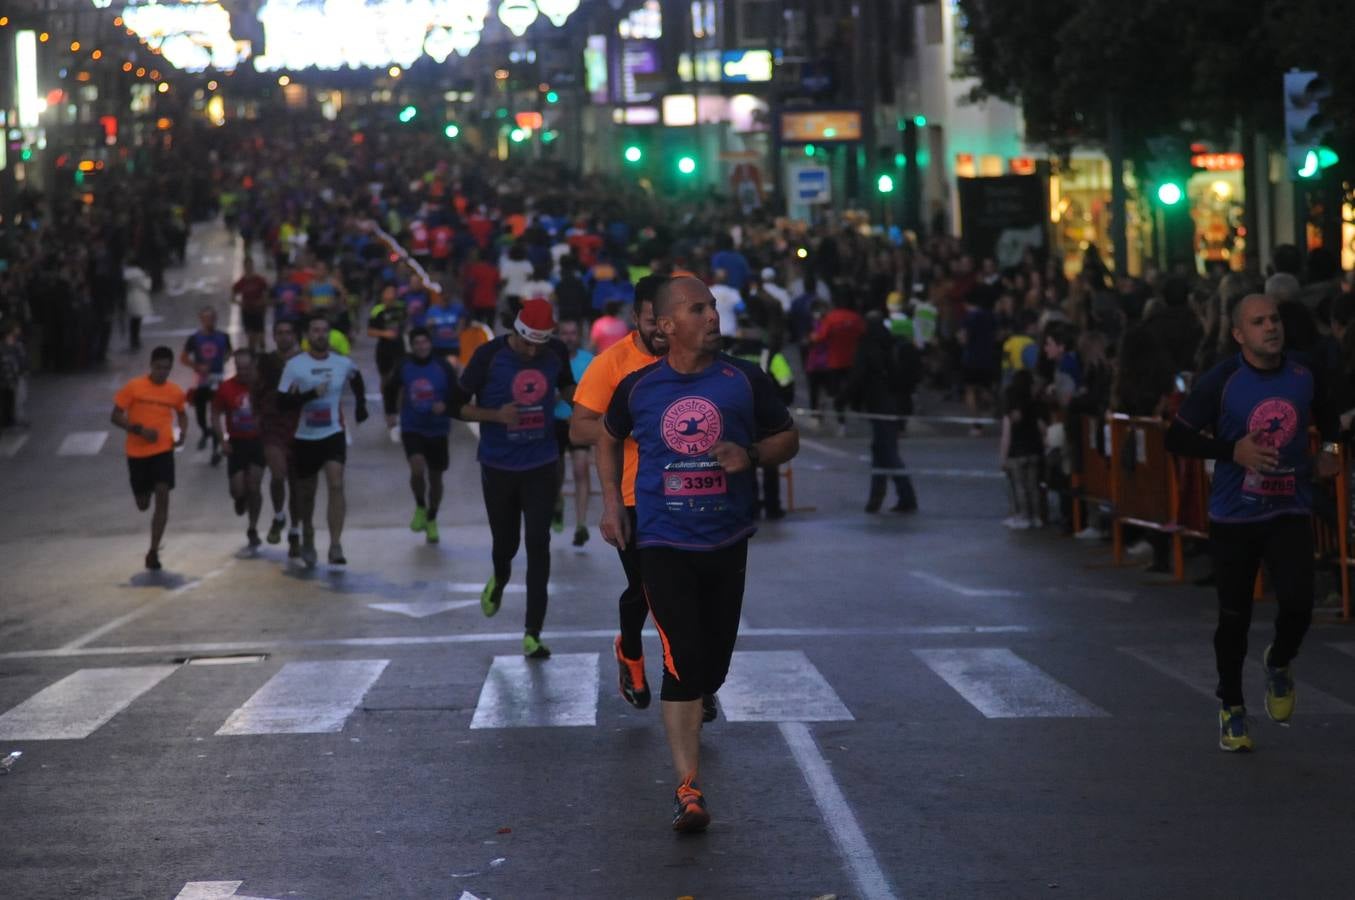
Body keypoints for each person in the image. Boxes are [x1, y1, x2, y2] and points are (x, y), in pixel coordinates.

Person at [598, 277, 800, 833]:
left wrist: (752, 453)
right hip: (662, 541)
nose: (712, 315)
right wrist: (614, 505)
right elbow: (606, 436)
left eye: (712, 305)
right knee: (682, 659)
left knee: (713, 665)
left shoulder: (743, 379)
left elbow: (788, 436)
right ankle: (688, 789)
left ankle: (700, 696)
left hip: (727, 540)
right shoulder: (639, 388)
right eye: (698, 308)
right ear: (665, 326)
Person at [1165, 293, 1340, 752]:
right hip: (1235, 516)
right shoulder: (1222, 381)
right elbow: (1176, 437)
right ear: (1239, 334)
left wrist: (1330, 453)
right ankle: (1233, 707)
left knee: (1300, 604)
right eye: (1259, 322)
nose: (1271, 328)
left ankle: (1279, 663)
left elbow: (1332, 419)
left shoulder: (1303, 372)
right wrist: (1232, 451)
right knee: (1234, 617)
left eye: (1275, 319)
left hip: (1289, 509)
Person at [570, 275, 670, 711]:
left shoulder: (690, 357)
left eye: (668, 321)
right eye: (652, 321)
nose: (661, 331)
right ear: (635, 318)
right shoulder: (612, 364)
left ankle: (690, 676)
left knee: (682, 591)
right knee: (650, 590)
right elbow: (579, 427)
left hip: (688, 490)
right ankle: (632, 651)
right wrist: (630, 426)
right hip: (632, 494)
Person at [460, 298, 576, 659]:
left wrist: (591, 411)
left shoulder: (555, 352)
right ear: (516, 332)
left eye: (538, 345)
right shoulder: (488, 356)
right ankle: (500, 577)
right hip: (498, 465)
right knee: (506, 544)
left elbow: (570, 390)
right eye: (527, 343)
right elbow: (456, 405)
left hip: (541, 462)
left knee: (538, 544)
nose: (531, 351)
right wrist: (495, 415)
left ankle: (532, 633)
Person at [278, 316, 369, 568]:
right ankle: (308, 535)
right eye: (316, 330)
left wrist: (361, 405)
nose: (321, 335)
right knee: (306, 494)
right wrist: (308, 395)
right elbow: (281, 402)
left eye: (324, 330)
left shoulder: (341, 362)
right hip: (305, 437)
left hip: (332, 433)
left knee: (336, 484)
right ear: (307, 335)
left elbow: (356, 376)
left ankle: (335, 544)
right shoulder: (295, 365)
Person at [111, 346, 189, 570]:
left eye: (167, 368)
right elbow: (115, 415)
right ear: (151, 366)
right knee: (143, 503)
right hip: (137, 453)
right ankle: (142, 494)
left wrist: (182, 433)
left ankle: (153, 551)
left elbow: (182, 414)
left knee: (163, 495)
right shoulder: (134, 387)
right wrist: (138, 430)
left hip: (163, 450)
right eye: (158, 367)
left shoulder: (174, 392)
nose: (162, 372)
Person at [844, 309, 919, 513]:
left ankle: (906, 496)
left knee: (887, 452)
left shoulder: (868, 345)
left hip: (879, 405)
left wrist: (843, 400)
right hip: (896, 404)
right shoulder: (891, 343)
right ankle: (876, 499)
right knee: (880, 450)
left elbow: (858, 376)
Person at [390, 327, 460, 544]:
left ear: (430, 344)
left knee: (436, 477)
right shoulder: (404, 365)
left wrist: (446, 405)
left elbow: (458, 393)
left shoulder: (443, 366)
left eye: (424, 342)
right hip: (413, 426)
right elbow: (390, 388)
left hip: (438, 428)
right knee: (417, 467)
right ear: (412, 346)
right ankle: (420, 505)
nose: (421, 347)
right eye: (417, 343)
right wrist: (390, 412)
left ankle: (432, 518)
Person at [254, 318, 304, 556]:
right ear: (274, 336)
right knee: (278, 473)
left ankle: (295, 531)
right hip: (273, 426)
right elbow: (255, 391)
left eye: (288, 332)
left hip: (299, 427)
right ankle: (279, 515)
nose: (284, 336)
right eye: (280, 332)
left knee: (296, 485)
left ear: (294, 336)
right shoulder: (266, 362)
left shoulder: (304, 361)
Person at [213, 348, 266, 546]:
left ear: (253, 366)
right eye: (239, 368)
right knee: (238, 490)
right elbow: (215, 414)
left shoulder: (261, 387)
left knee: (254, 486)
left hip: (258, 443)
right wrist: (222, 441)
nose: (243, 372)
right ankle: (239, 498)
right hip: (236, 444)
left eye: (247, 368)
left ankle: (253, 527)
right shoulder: (226, 388)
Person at [554, 318, 596, 546]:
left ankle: (581, 524)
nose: (568, 338)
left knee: (581, 469)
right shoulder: (550, 360)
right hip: (555, 422)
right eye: (564, 333)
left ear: (578, 335)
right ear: (558, 335)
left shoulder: (588, 361)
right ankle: (557, 503)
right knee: (556, 472)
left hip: (578, 423)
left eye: (572, 333)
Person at [181, 306, 232, 465]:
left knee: (215, 415)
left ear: (216, 319)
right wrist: (197, 366)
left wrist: (224, 359)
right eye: (206, 318)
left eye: (212, 318)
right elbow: (183, 358)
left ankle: (216, 450)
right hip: (201, 382)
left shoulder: (223, 336)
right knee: (200, 415)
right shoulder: (194, 338)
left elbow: (229, 351)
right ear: (201, 319)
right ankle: (205, 431)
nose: (209, 321)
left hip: (217, 380)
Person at [999, 369, 1044, 529]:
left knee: (1019, 485)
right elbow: (1041, 427)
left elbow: (1006, 434)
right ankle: (1036, 516)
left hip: (1016, 452)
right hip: (1033, 449)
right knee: (1033, 486)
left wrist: (1003, 457)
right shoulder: (1033, 403)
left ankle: (1022, 515)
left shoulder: (1011, 405)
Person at [367, 284, 407, 443]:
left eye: (393, 291)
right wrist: (385, 333)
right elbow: (370, 331)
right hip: (384, 349)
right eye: (387, 291)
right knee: (386, 380)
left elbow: (408, 321)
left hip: (400, 348)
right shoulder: (377, 310)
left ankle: (400, 409)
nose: (391, 295)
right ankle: (388, 409)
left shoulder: (401, 308)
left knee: (402, 380)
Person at [232, 256, 271, 353]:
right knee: (251, 338)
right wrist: (241, 303)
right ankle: (252, 356)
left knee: (261, 338)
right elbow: (233, 297)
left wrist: (263, 304)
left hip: (258, 311)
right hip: (247, 312)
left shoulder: (259, 280)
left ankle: (262, 355)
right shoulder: (241, 282)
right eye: (247, 266)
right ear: (244, 267)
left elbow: (266, 294)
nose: (249, 267)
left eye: (250, 265)